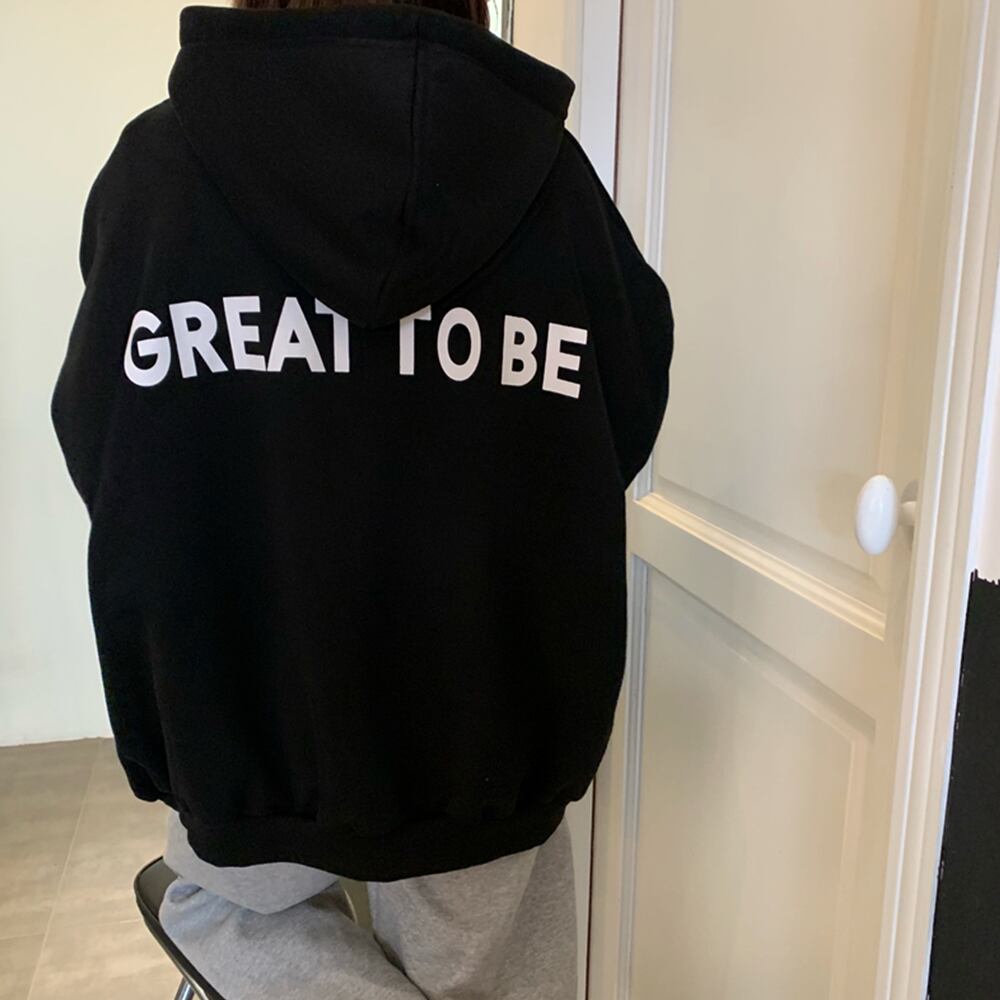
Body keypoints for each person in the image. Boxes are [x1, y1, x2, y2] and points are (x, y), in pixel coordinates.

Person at [50, 0, 674, 996]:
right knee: (487, 970)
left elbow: (100, 433)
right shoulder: (549, 181)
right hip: (484, 712)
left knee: (217, 907)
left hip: (239, 703)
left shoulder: (160, 173)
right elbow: (624, 409)